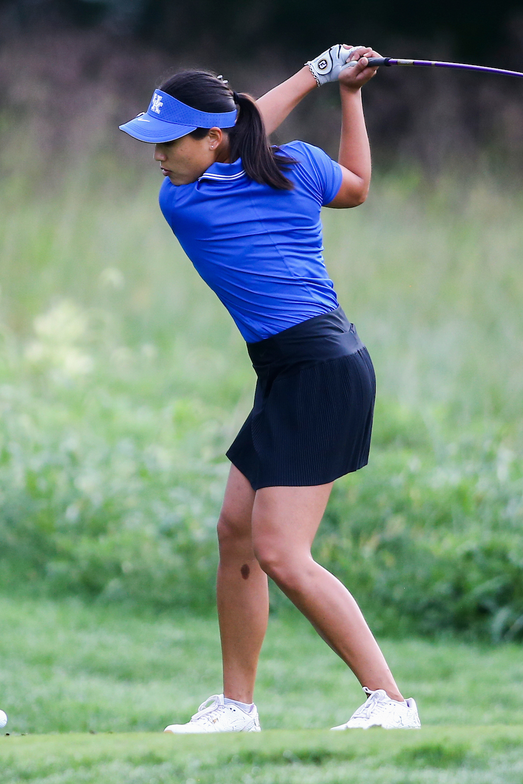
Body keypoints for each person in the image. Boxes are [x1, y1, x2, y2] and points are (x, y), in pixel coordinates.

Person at [118, 46, 419, 732]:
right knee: (236, 534)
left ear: (210, 138)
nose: (156, 156)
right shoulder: (292, 166)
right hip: (294, 369)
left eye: (167, 141)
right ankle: (237, 707)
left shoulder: (191, 199)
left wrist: (323, 80)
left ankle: (391, 702)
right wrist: (342, 92)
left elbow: (254, 125)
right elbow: (359, 184)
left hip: (319, 368)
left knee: (282, 551)